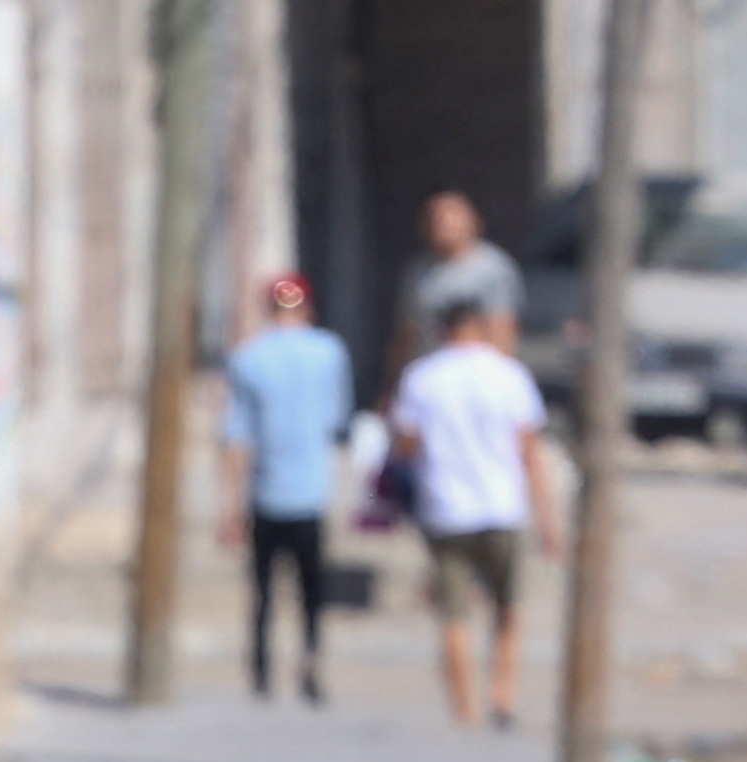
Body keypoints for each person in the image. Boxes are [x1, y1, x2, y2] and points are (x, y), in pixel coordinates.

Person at [390, 296, 557, 731]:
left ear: (443, 329)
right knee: (507, 608)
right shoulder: (509, 375)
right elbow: (529, 452)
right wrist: (549, 520)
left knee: (453, 613)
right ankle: (502, 695)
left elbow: (405, 446)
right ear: (482, 327)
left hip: (445, 507)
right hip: (502, 506)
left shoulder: (422, 377)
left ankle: (465, 709)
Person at [221, 270, 353, 705]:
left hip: (266, 491)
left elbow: (236, 436)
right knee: (310, 590)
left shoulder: (250, 357)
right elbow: (337, 420)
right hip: (310, 491)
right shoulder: (329, 352)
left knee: (262, 590)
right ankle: (310, 662)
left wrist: (230, 505)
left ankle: (261, 670)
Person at [406, 188, 523, 352]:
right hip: (431, 369)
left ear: (472, 219)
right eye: (435, 217)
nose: (443, 223)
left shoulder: (494, 268)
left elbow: (503, 329)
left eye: (452, 216)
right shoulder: (418, 270)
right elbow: (407, 331)